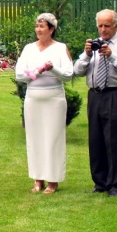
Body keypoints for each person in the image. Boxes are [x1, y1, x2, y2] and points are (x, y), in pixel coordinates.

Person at [74, 9, 117, 197]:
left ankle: (115, 184)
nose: (103, 30)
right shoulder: (94, 45)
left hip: (115, 94)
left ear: (116, 25)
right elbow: (76, 71)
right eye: (100, 26)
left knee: (114, 140)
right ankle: (100, 182)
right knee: (96, 140)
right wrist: (87, 55)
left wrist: (112, 56)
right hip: (95, 95)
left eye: (107, 26)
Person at [15, 13, 74, 194]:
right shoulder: (29, 49)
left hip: (54, 98)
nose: (38, 29)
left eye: (42, 26)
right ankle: (38, 178)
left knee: (53, 138)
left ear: (51, 29)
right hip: (33, 98)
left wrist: (52, 68)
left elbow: (68, 74)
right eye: (37, 26)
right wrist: (36, 71)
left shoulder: (60, 48)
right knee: (35, 138)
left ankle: (53, 180)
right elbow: (19, 74)